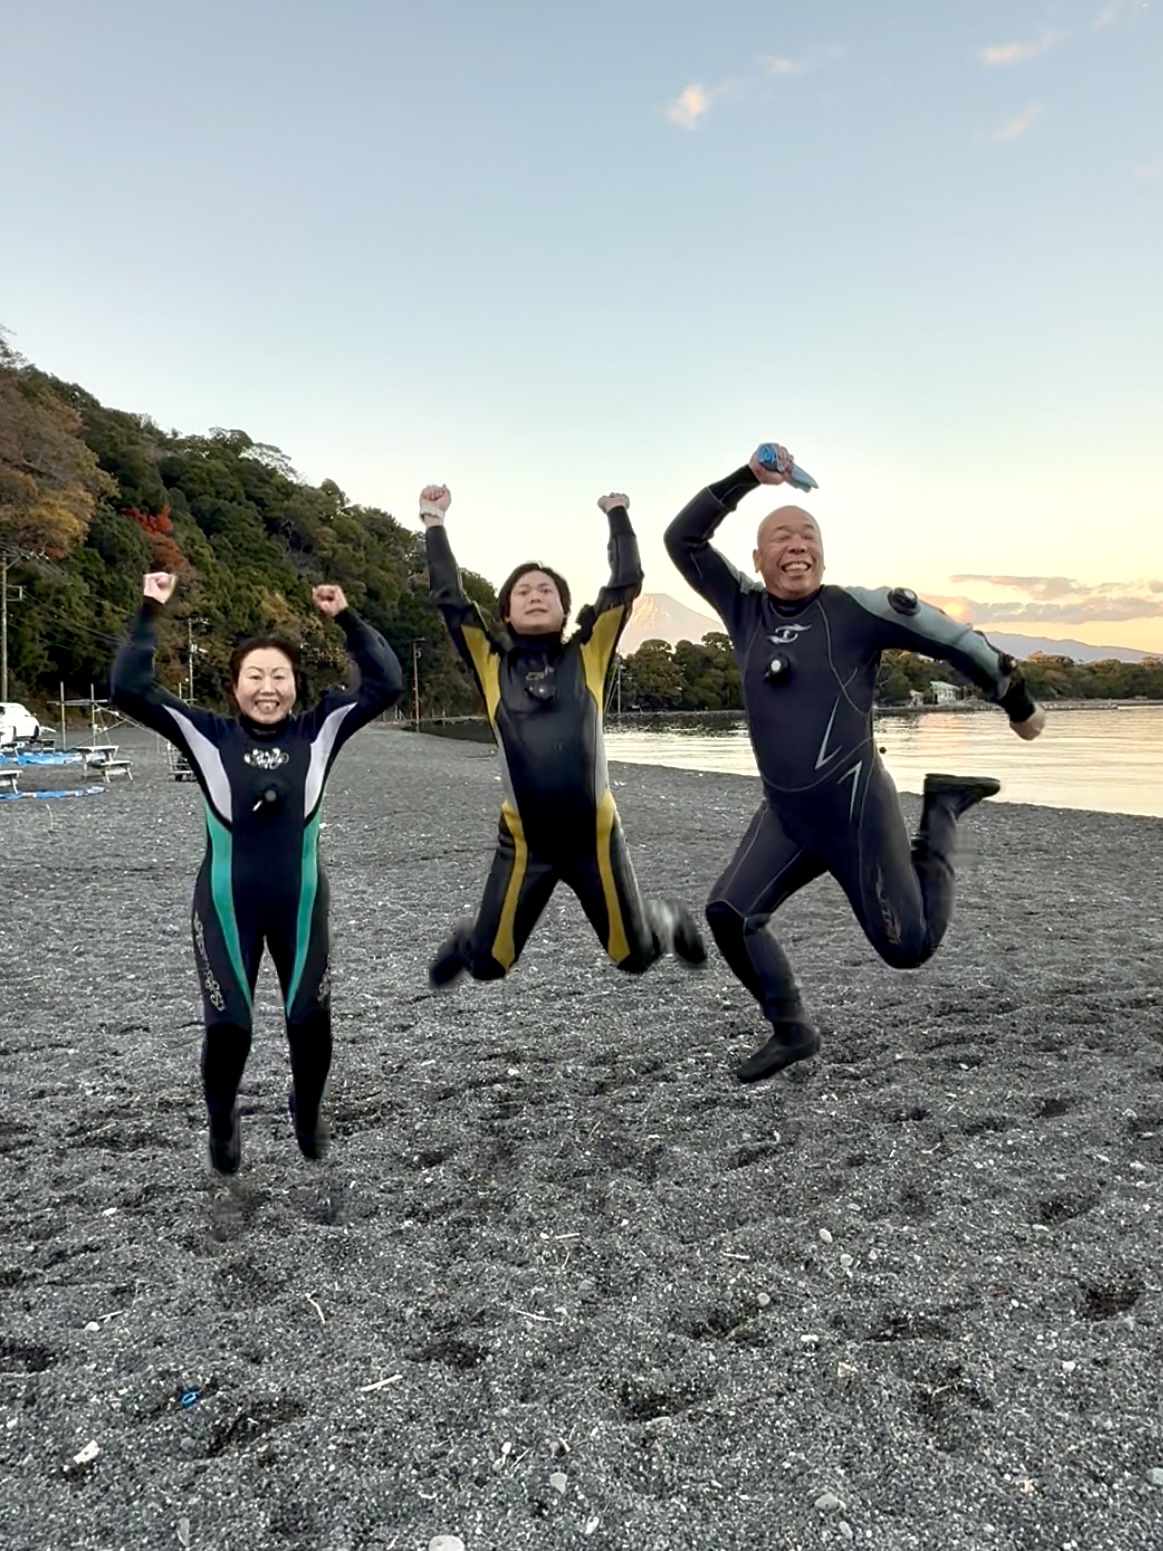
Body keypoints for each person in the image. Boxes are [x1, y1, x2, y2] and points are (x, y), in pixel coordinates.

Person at [664, 444, 1047, 1082]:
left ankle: (942, 809)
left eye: (808, 535)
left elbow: (951, 639)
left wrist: (1018, 702)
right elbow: (683, 540)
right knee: (730, 914)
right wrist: (748, 478)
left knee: (908, 948)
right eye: (780, 536)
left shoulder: (855, 610)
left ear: (823, 553)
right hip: (787, 815)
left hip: (854, 809)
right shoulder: (743, 608)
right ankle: (793, 1029)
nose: (796, 545)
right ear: (757, 559)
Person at [110, 572, 403, 1173]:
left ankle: (308, 1107)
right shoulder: (206, 734)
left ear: (295, 685)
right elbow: (127, 687)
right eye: (255, 676)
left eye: (280, 676)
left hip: (301, 904)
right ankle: (222, 1120)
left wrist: (346, 616)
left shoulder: (321, 729)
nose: (267, 688)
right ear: (234, 686)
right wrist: (150, 607)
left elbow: (387, 682)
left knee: (309, 1021)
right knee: (229, 1029)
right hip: (225, 906)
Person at [420, 482, 705, 987]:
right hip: (525, 842)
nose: (535, 595)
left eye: (546, 590)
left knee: (634, 957)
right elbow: (451, 600)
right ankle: (471, 938)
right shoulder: (490, 664)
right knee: (487, 965)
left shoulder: (588, 653)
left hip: (594, 837)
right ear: (505, 613)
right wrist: (434, 522)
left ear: (564, 609)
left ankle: (664, 920)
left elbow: (625, 583)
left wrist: (617, 514)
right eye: (523, 591)